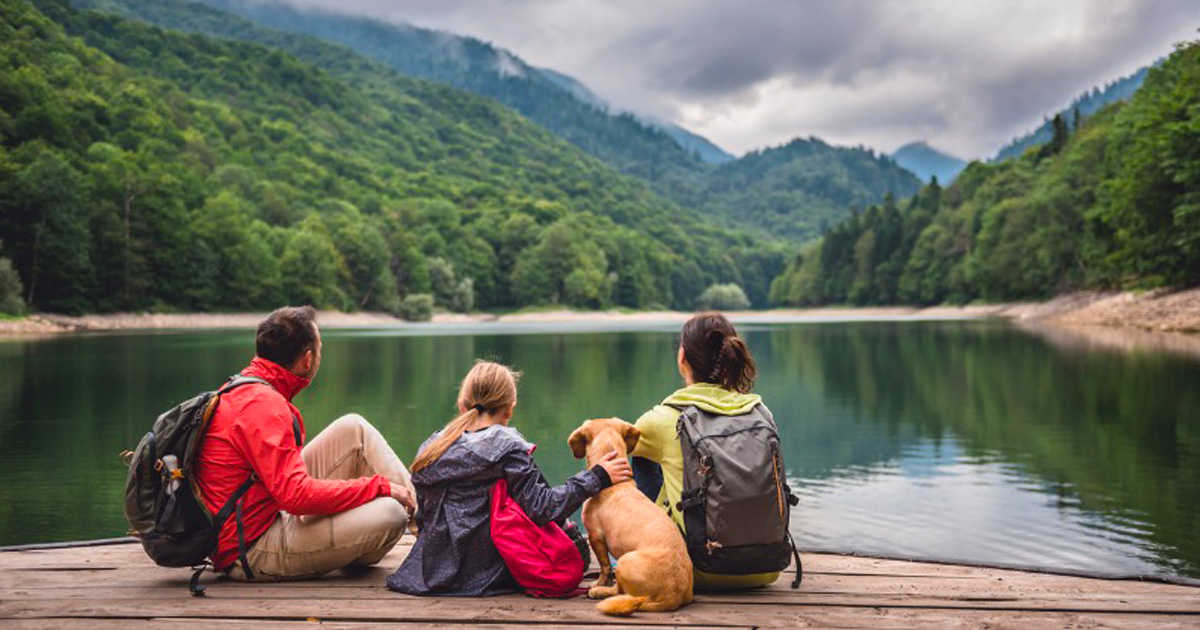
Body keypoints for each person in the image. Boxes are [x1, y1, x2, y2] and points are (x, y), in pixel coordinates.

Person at [193, 305, 417, 581]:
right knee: (391, 514)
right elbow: (296, 497)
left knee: (353, 428)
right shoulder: (264, 405)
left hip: (265, 510)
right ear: (308, 359)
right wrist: (378, 487)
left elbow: (287, 490)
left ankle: (427, 526)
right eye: (320, 348)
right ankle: (427, 529)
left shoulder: (245, 387)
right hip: (251, 549)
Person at [387, 360, 632, 596]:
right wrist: (596, 477)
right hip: (488, 572)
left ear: (463, 405)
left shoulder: (431, 447)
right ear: (509, 409)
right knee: (574, 544)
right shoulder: (508, 447)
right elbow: (543, 508)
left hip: (431, 569)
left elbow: (424, 517)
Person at [629, 312, 781, 590]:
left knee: (636, 454)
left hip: (694, 569)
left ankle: (643, 549)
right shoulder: (762, 412)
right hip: (768, 567)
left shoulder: (662, 419)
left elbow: (612, 450)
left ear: (682, 357)